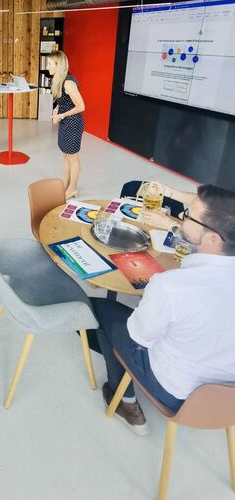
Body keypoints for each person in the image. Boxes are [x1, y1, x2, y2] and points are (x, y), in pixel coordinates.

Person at [88, 184, 235, 435]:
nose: (181, 218)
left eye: (188, 216)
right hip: (228, 401)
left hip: (176, 393)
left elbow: (139, 336)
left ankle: (126, 403)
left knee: (101, 309)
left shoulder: (170, 286)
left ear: (213, 238)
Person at [46, 52, 85, 199]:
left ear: (58, 65)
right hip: (65, 122)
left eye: (50, 64)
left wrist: (61, 115)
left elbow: (81, 106)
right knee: (66, 156)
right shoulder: (58, 80)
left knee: (73, 157)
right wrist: (56, 109)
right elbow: (62, 101)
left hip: (73, 123)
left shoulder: (68, 83)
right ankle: (66, 184)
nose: (47, 67)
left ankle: (73, 188)